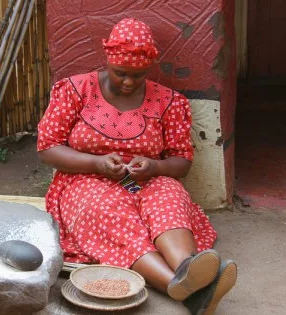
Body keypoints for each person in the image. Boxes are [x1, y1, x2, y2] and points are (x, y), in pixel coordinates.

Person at [37, 18, 237, 314]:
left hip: (148, 179)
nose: (128, 82)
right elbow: (47, 148)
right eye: (121, 74)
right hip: (86, 181)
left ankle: (188, 267)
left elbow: (181, 162)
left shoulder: (169, 102)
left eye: (138, 76)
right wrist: (96, 163)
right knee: (111, 213)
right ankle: (185, 290)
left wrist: (154, 168)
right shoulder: (74, 91)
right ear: (108, 62)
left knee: (169, 197)